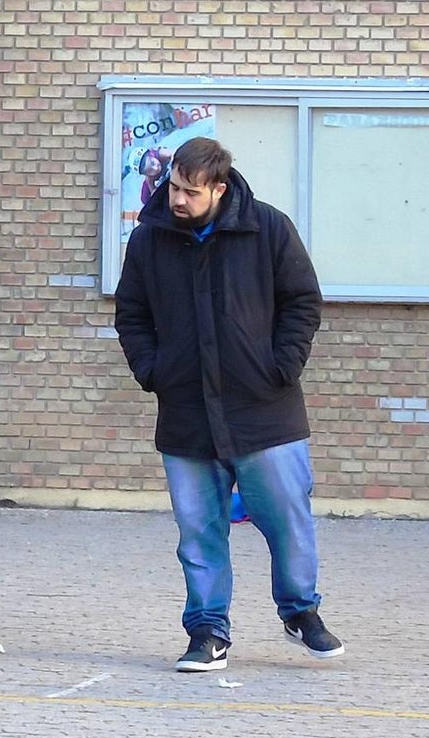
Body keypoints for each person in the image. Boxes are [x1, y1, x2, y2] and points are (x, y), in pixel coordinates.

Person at [114, 136, 343, 672]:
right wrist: (153, 372)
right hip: (186, 415)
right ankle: (207, 631)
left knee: (289, 521)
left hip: (267, 412)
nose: (177, 200)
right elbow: (131, 315)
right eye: (173, 187)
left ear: (219, 188)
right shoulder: (148, 241)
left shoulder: (269, 229)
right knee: (198, 532)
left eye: (190, 192)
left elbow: (303, 303)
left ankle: (301, 612)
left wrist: (281, 367)